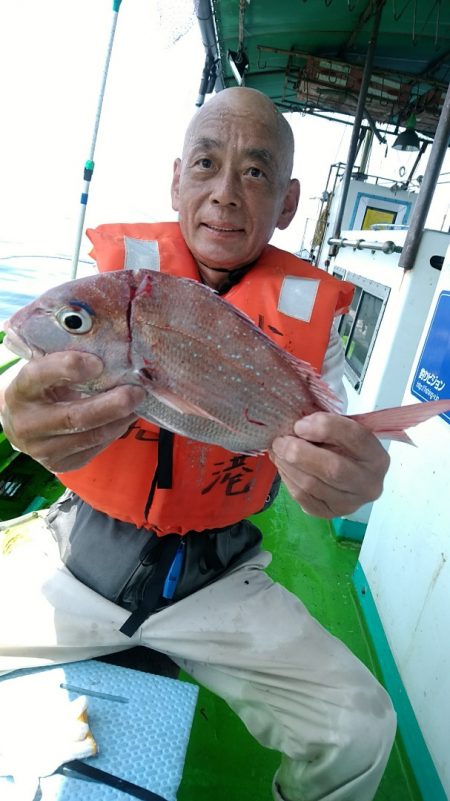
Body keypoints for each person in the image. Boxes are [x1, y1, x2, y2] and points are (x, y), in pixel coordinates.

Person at [0, 87, 395, 801]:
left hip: (217, 576)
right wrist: (15, 417)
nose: (224, 194)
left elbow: (331, 432)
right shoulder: (105, 298)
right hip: (78, 554)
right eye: (207, 163)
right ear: (175, 178)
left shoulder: (316, 329)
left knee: (360, 726)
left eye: (255, 172)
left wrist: (353, 475)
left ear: (288, 202)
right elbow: (35, 385)